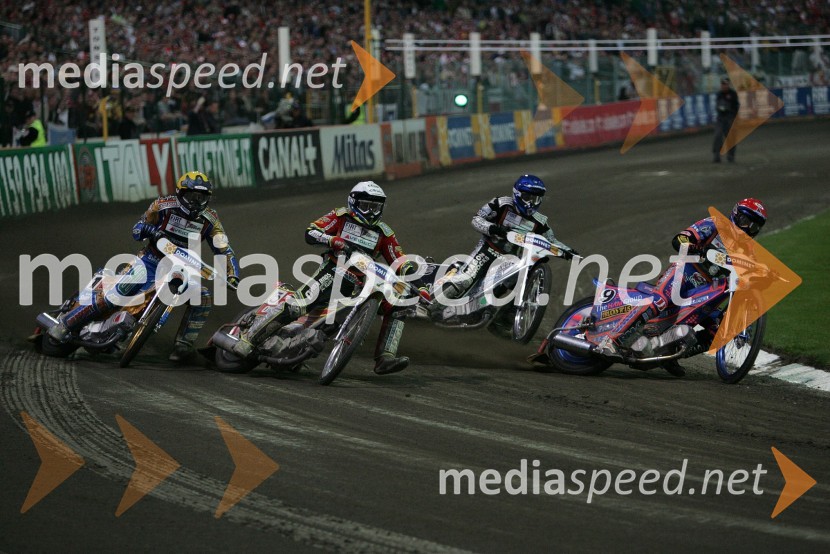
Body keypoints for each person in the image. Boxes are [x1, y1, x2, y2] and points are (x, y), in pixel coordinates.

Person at [233, 181, 429, 375]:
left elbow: (402, 261)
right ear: (354, 202)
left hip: (362, 284)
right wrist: (332, 239)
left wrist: (420, 287)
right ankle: (249, 338)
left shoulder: (384, 233)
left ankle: (385, 357)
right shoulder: (340, 216)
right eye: (366, 206)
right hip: (334, 271)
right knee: (297, 305)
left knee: (398, 306)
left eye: (375, 207)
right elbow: (311, 232)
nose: (370, 212)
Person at [48, 171, 241, 363]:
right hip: (150, 261)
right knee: (115, 294)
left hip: (182, 269)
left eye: (202, 197)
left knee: (203, 297)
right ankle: (66, 324)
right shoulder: (163, 205)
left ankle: (183, 347)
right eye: (192, 196)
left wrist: (233, 275)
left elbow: (224, 249)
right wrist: (153, 232)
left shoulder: (211, 219)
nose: (196, 201)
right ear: (180, 193)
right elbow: (137, 228)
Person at [617, 198, 768, 376]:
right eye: (745, 221)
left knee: (719, 330)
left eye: (754, 226)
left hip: (706, 292)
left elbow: (752, 274)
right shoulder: (716, 224)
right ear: (735, 214)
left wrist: (765, 275)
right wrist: (691, 245)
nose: (748, 228)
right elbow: (680, 238)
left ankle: (668, 353)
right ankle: (617, 336)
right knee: (660, 300)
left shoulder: (748, 250)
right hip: (684, 273)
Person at [442, 174, 577, 299]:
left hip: (511, 262)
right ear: (517, 194)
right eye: (527, 197)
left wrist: (567, 251)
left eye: (535, 199)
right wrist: (493, 228)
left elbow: (551, 241)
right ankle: (431, 303)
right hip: (488, 250)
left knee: (522, 290)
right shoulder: (501, 203)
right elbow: (476, 219)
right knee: (465, 279)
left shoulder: (540, 222)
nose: (531, 203)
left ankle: (503, 321)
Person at [712, 78, 739, 163]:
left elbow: (736, 106)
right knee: (717, 136)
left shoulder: (733, 94)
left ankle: (731, 156)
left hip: (730, 118)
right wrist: (721, 108)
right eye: (723, 84)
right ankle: (716, 155)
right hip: (720, 118)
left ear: (728, 84)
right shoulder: (719, 94)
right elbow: (717, 105)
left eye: (726, 84)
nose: (724, 86)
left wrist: (731, 112)